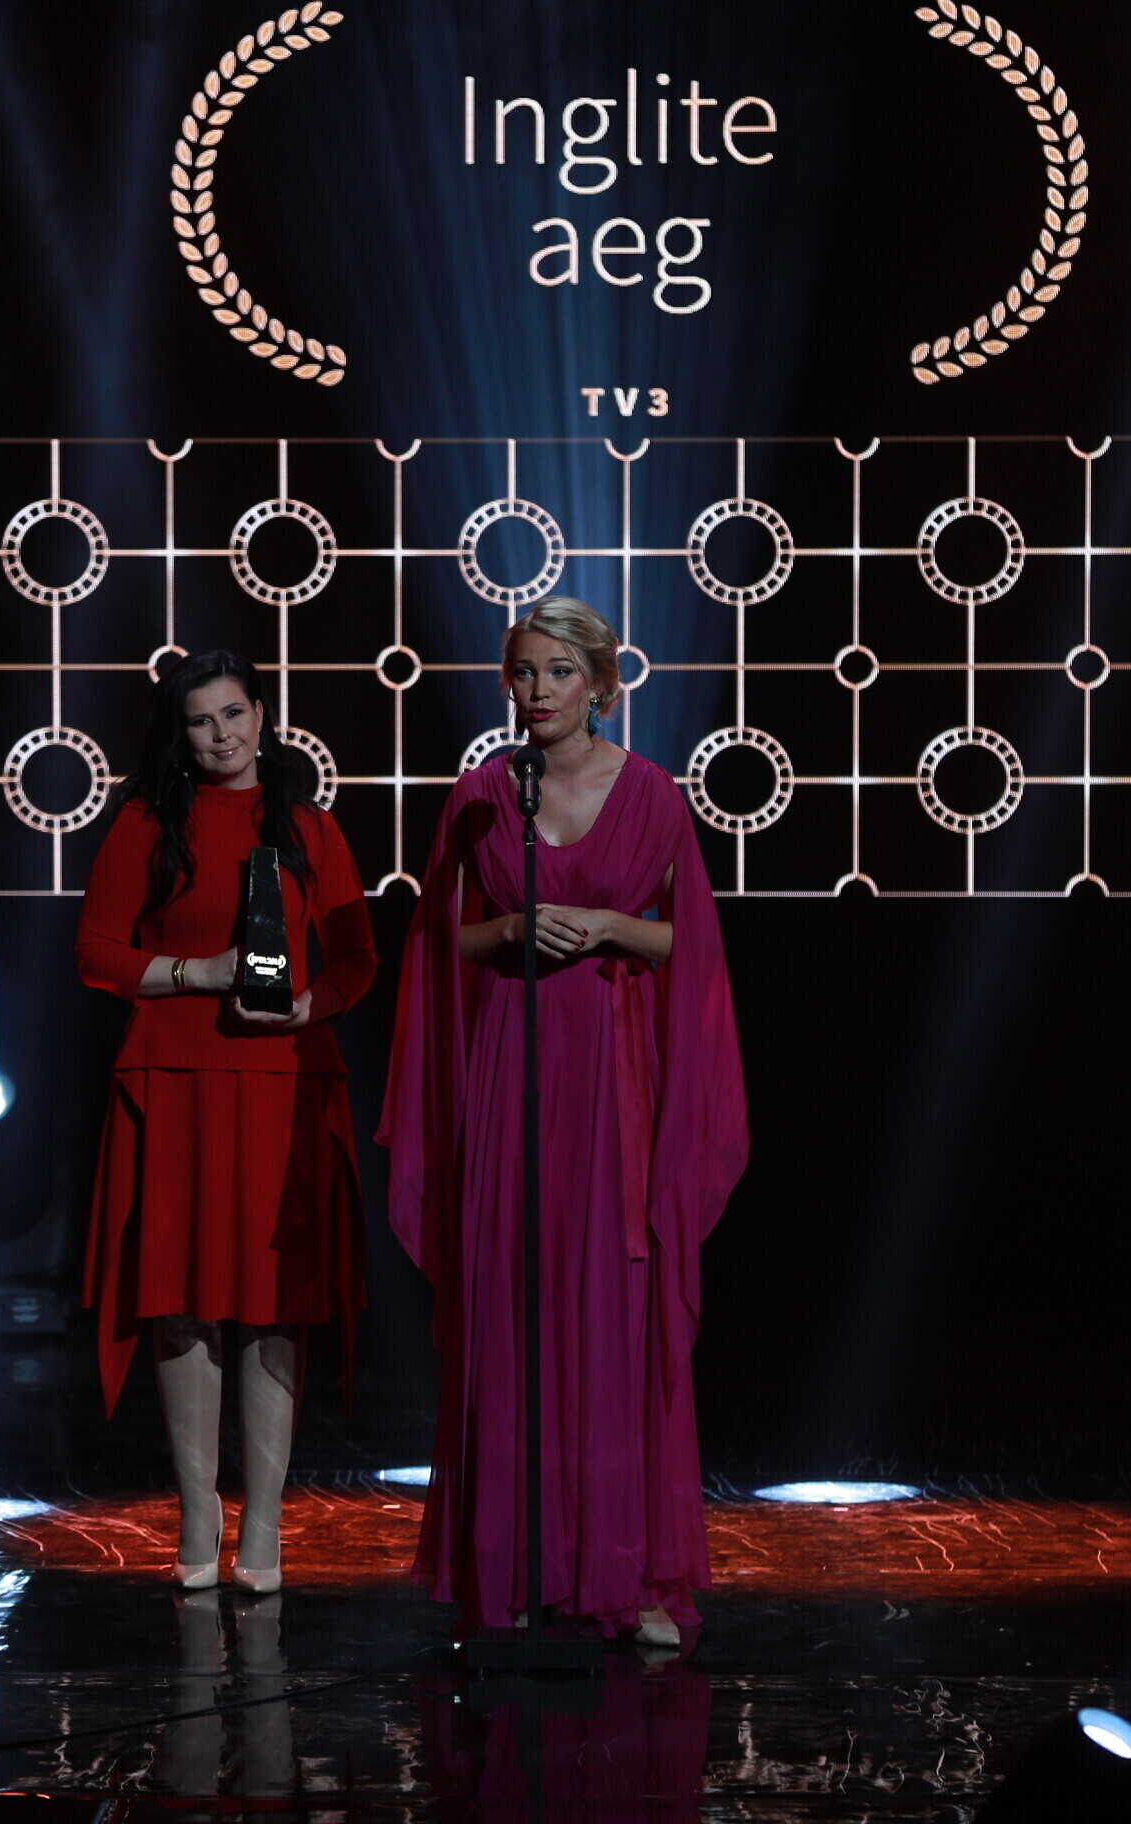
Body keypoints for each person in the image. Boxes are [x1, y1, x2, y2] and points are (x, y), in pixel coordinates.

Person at [379, 598, 748, 1648]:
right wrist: (509, 928)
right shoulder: (481, 797)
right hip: (512, 1068)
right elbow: (440, 941)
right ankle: (511, 1568)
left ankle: (630, 1574)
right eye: (522, 672)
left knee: (610, 1311)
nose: (536, 691)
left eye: (557, 672)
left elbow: (692, 944)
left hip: (611, 1075)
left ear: (600, 685)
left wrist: (611, 926)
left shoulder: (654, 796)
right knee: (513, 1304)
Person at [74, 651, 376, 1593]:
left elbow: (357, 958)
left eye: (235, 714)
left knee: (273, 1304)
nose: (222, 735)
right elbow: (95, 952)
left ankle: (267, 1520)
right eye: (202, 721)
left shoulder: (310, 826)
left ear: (262, 716)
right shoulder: (143, 823)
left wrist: (313, 1003)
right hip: (177, 1078)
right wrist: (192, 974)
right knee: (183, 1299)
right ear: (182, 733)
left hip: (283, 1080)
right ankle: (199, 1510)